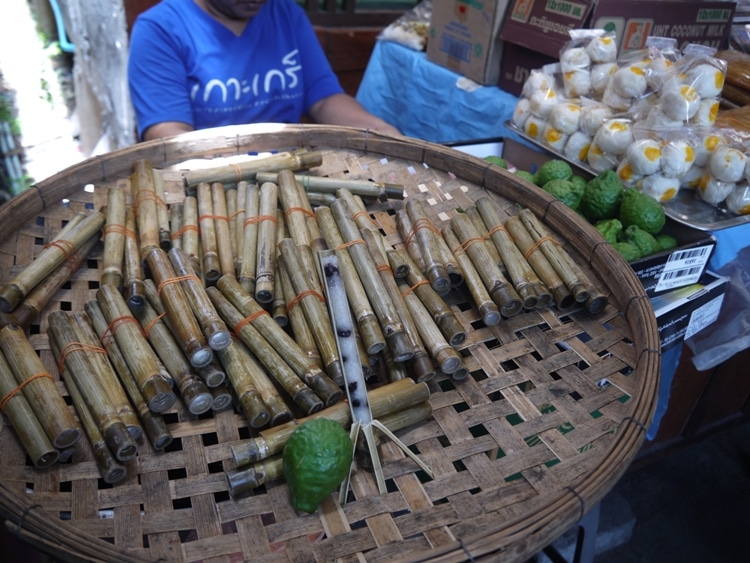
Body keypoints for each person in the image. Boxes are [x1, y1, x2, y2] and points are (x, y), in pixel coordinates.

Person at [128, 0, 401, 141]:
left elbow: (325, 97)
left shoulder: (284, 13)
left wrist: (377, 129)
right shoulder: (160, 29)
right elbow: (168, 133)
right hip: (207, 181)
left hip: (289, 171)